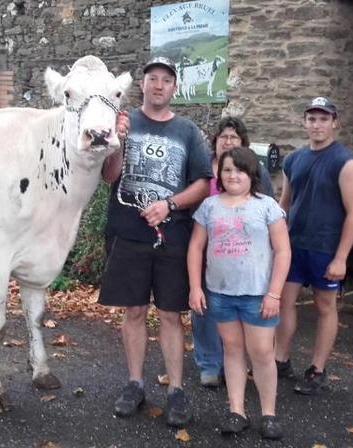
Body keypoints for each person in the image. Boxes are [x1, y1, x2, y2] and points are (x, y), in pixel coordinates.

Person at [98, 57, 213, 427]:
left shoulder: (187, 131)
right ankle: (135, 384)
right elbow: (109, 177)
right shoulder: (124, 122)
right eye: (152, 79)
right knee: (133, 311)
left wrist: (170, 204)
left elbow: (203, 182)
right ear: (143, 85)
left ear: (174, 88)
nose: (159, 85)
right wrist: (118, 141)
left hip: (172, 235)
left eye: (166, 80)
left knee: (169, 314)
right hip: (128, 233)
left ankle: (176, 391)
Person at [188, 148, 290, 439]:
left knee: (261, 353)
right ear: (220, 173)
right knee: (231, 351)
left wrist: (274, 293)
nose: (233, 175)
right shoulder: (209, 206)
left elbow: (283, 251)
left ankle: (268, 414)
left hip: (258, 296)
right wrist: (196, 287)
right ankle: (237, 411)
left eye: (240, 170)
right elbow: (196, 247)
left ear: (252, 174)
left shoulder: (267, 206)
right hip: (221, 294)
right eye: (228, 169)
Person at [274, 96, 353, 395]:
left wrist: (341, 258)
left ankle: (317, 370)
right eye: (312, 118)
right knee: (284, 301)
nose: (317, 124)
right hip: (294, 245)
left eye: (323, 118)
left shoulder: (345, 162)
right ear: (305, 122)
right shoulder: (293, 159)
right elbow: (284, 203)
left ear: (334, 122)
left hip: (325, 247)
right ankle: (279, 360)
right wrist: (275, 239)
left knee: (325, 306)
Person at [193, 116, 275, 387]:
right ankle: (209, 363)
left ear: (243, 143)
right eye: (223, 137)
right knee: (204, 307)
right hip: (208, 244)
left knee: (244, 314)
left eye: (234, 138)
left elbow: (268, 209)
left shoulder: (254, 171)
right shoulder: (203, 168)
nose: (228, 141)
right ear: (215, 141)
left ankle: (238, 364)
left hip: (244, 254)